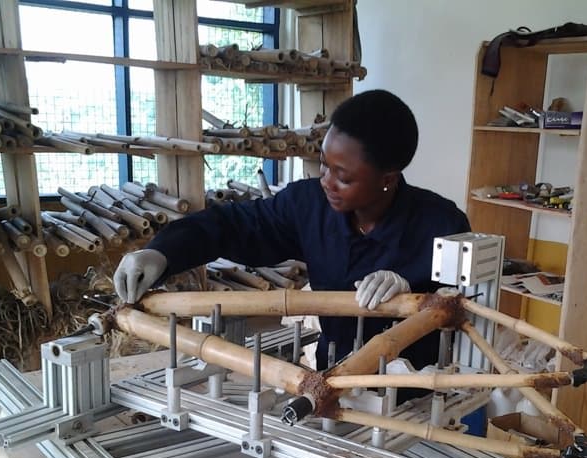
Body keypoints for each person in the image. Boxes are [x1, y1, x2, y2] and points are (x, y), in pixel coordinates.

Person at [114, 89, 470, 371]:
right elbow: (232, 225)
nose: (326, 181)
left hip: (416, 394)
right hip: (333, 378)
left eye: (343, 177)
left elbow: (471, 312)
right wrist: (161, 251)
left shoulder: (443, 225)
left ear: (388, 179)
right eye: (324, 165)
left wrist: (414, 290)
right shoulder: (309, 205)